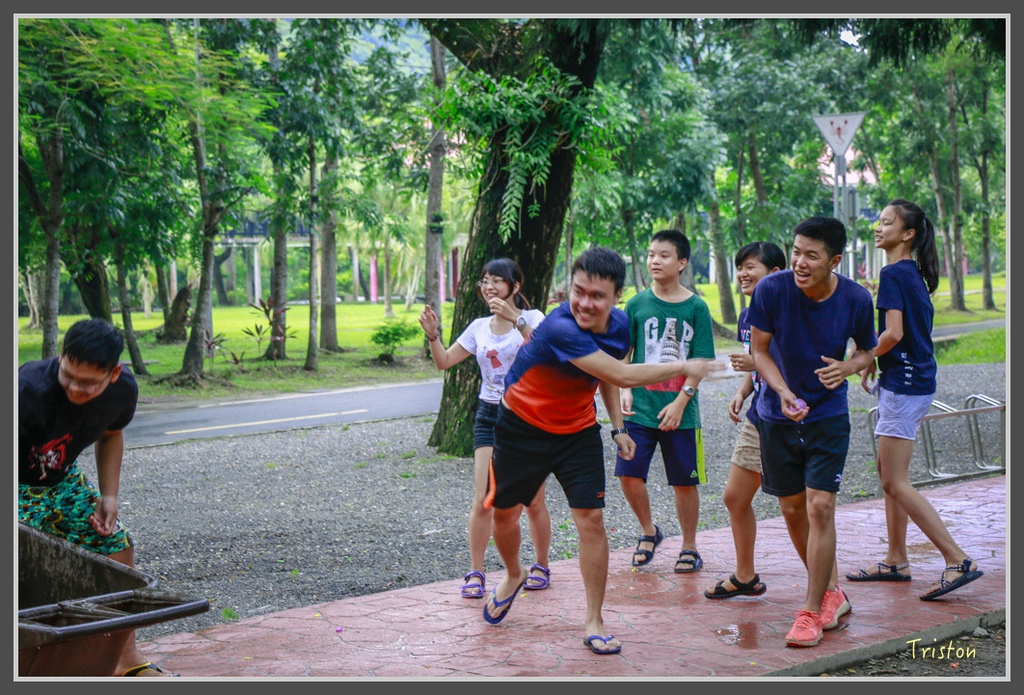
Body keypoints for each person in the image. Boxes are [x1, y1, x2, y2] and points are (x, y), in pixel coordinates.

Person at [479, 247, 723, 655]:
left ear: (616, 297)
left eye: (597, 296)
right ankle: (513, 573)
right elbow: (622, 373)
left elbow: (606, 375)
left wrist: (617, 428)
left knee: (591, 519)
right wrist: (685, 366)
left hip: (576, 431)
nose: (585, 303)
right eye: (578, 292)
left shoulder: (621, 326)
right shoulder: (560, 327)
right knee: (504, 515)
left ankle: (594, 618)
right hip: (520, 429)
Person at [746, 217, 877, 648]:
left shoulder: (856, 299)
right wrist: (782, 391)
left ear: (834, 260)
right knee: (792, 510)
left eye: (811, 256)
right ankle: (832, 593)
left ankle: (809, 609)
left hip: (827, 416)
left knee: (820, 506)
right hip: (777, 414)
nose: (799, 262)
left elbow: (869, 349)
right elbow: (759, 351)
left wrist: (850, 365)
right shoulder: (772, 289)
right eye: (796, 251)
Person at [19, 318, 174, 677]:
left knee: (116, 546)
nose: (76, 388)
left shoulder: (123, 393)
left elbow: (110, 435)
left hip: (61, 481)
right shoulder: (26, 392)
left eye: (89, 383)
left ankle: (126, 659)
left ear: (114, 373)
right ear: (60, 358)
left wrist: (109, 495)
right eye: (68, 376)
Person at [848, 199, 983, 598]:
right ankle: (895, 558)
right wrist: (879, 361)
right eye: (878, 220)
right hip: (910, 381)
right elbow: (902, 334)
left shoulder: (893, 273)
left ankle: (958, 559)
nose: (878, 226)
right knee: (887, 474)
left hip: (906, 385)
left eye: (887, 222)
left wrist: (860, 360)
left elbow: (893, 333)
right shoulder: (911, 273)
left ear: (907, 234)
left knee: (895, 480)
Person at [418, 258, 553, 598]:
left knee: (533, 501)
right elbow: (444, 361)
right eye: (484, 281)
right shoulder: (478, 327)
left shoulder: (533, 318)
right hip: (490, 415)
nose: (488, 286)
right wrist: (433, 334)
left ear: (515, 286)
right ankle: (476, 571)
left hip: (528, 416)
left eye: (496, 280)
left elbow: (547, 351)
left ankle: (541, 564)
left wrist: (516, 319)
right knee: (483, 501)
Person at [616, 230, 715, 574]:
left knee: (684, 482)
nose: (655, 261)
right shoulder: (636, 304)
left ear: (682, 263)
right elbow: (624, 355)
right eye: (651, 254)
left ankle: (689, 546)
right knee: (628, 474)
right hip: (640, 410)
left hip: (682, 414)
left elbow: (700, 362)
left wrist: (680, 403)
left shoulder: (696, 307)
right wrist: (625, 388)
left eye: (664, 255)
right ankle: (648, 531)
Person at [704, 241, 786, 599]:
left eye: (751, 266)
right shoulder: (747, 314)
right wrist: (742, 391)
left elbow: (790, 365)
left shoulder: (789, 312)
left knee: (797, 506)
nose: (742, 274)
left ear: (776, 273)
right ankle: (745, 575)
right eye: (740, 267)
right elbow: (756, 361)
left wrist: (758, 366)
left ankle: (826, 589)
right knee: (735, 497)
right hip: (758, 415)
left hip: (788, 418)